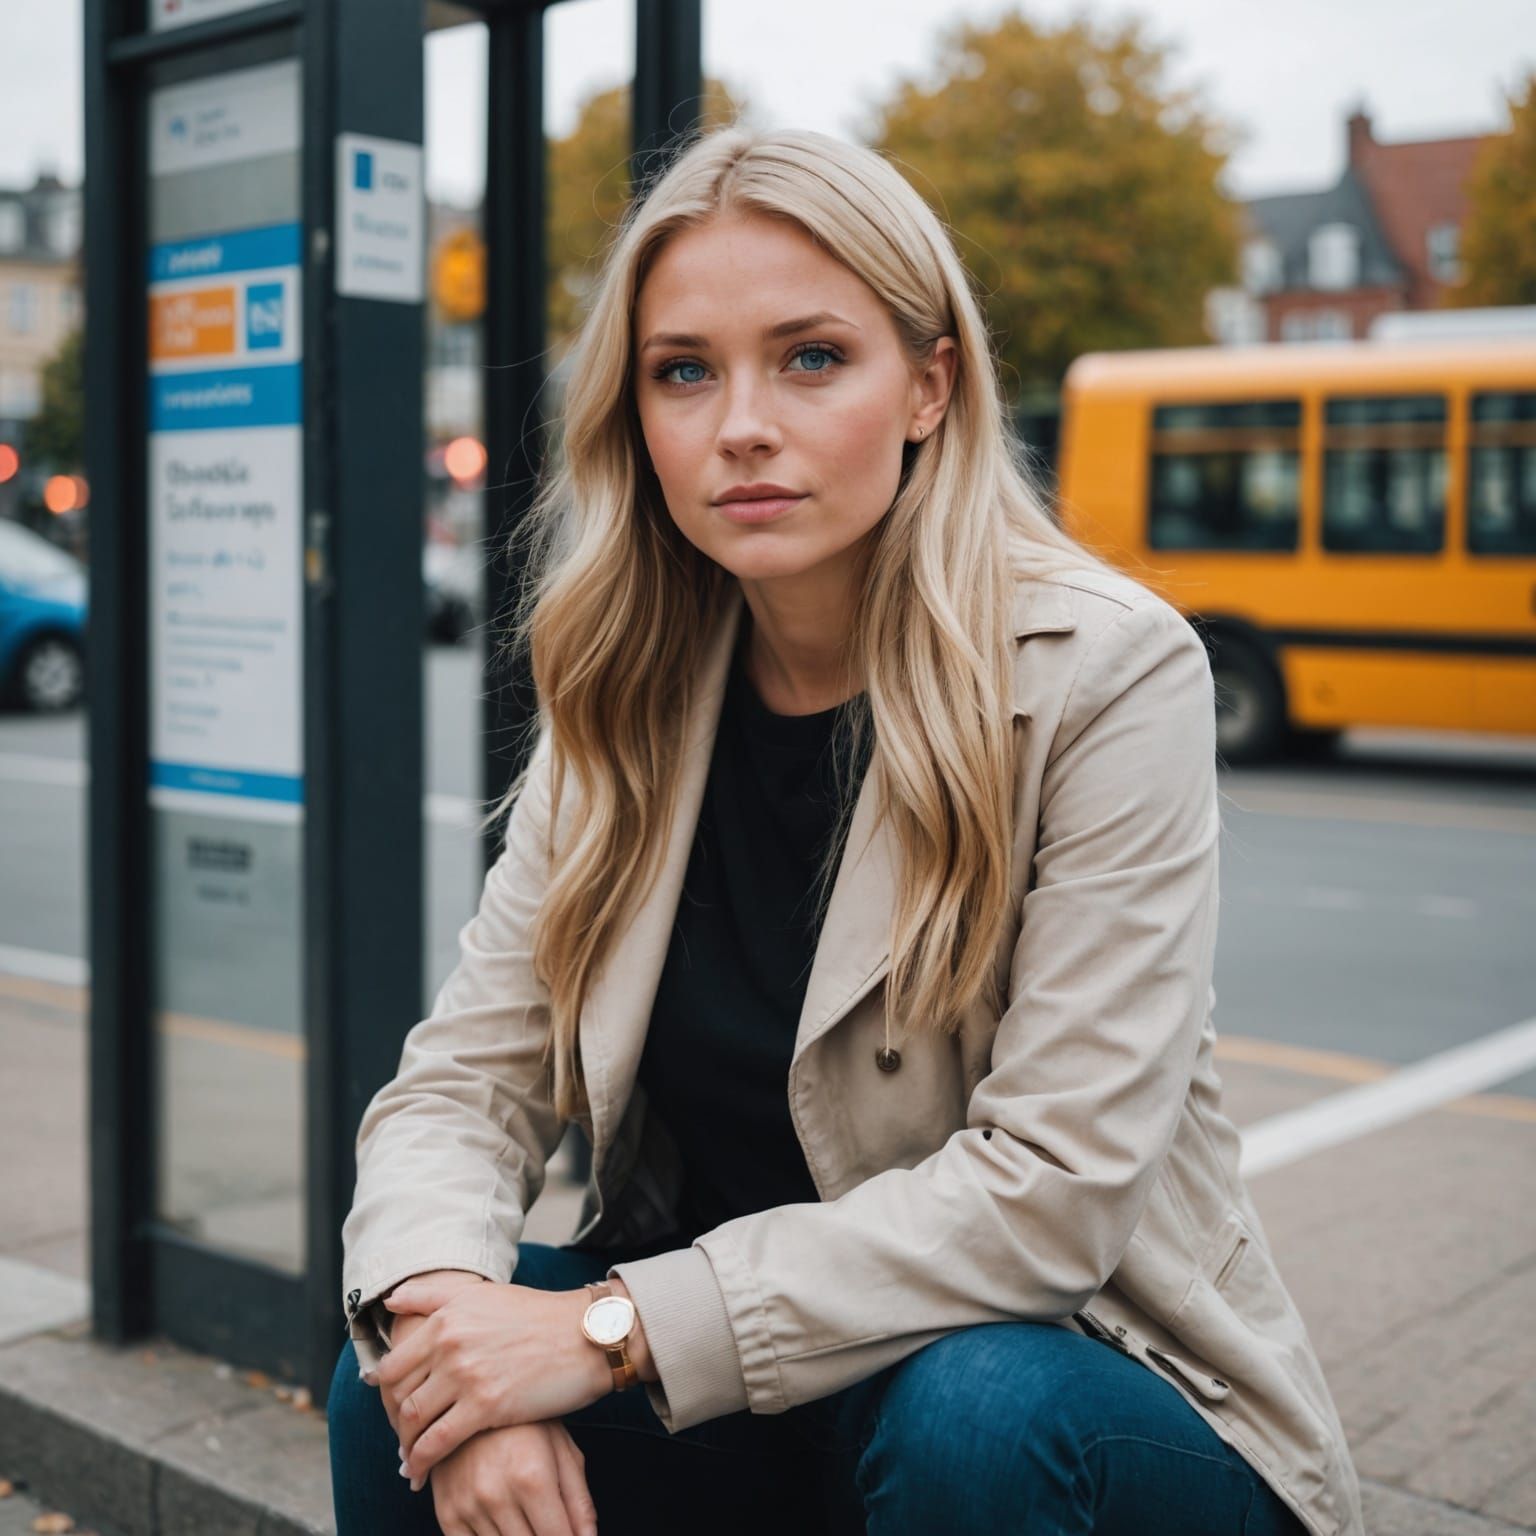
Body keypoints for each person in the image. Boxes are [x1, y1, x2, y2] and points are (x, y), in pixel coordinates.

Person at [328, 122, 1363, 1536]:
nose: (741, 423)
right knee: (391, 1379)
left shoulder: (1106, 672)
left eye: (812, 358)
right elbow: (462, 1088)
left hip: (1080, 1395)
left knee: (972, 1418)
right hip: (748, 1387)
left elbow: (1050, 1195)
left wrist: (603, 1332)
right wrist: (451, 1327)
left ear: (931, 384)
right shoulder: (623, 687)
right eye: (683, 371)